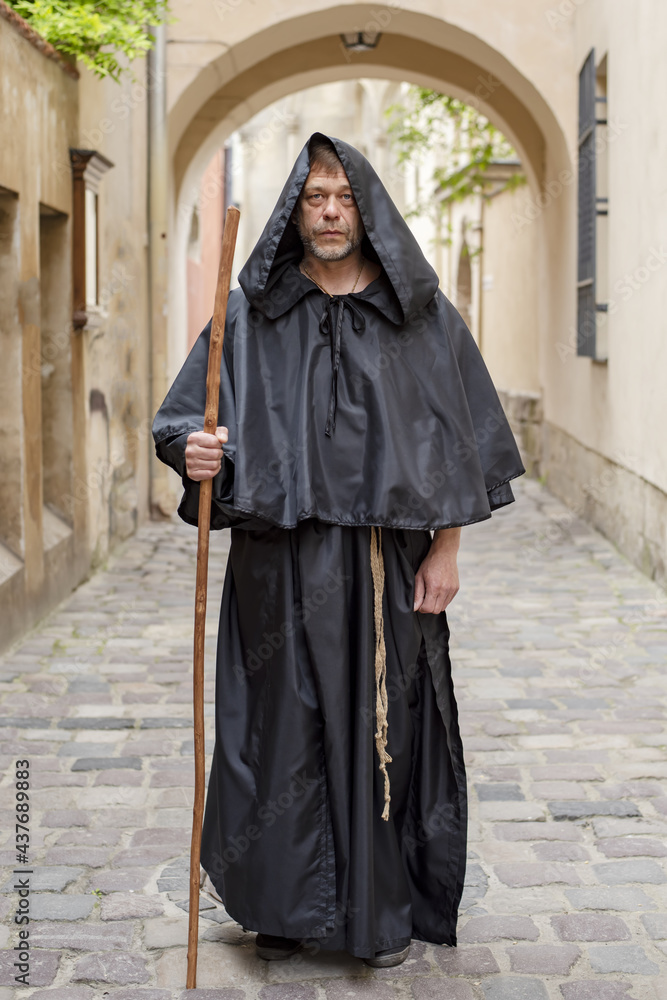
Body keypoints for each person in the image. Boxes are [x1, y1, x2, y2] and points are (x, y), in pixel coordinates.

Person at [152, 132, 524, 968]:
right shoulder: (249, 312)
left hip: (382, 565)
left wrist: (446, 549)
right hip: (274, 567)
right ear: (295, 208)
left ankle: (374, 915)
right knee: (274, 734)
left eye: (343, 197)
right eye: (315, 197)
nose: (328, 211)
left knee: (381, 734)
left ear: (367, 209)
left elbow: (461, 438)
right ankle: (282, 910)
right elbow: (184, 418)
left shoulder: (418, 316)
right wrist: (194, 451)